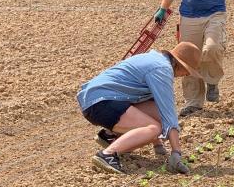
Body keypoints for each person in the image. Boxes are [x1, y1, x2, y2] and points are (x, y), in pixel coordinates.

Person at [77, 42, 202, 174]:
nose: (187, 74)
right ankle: (107, 154)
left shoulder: (156, 59)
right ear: (179, 64)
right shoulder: (162, 70)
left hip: (98, 98)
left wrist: (157, 144)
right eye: (188, 70)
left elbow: (158, 108)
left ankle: (111, 137)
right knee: (153, 129)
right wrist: (176, 152)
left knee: (155, 111)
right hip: (100, 102)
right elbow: (168, 113)